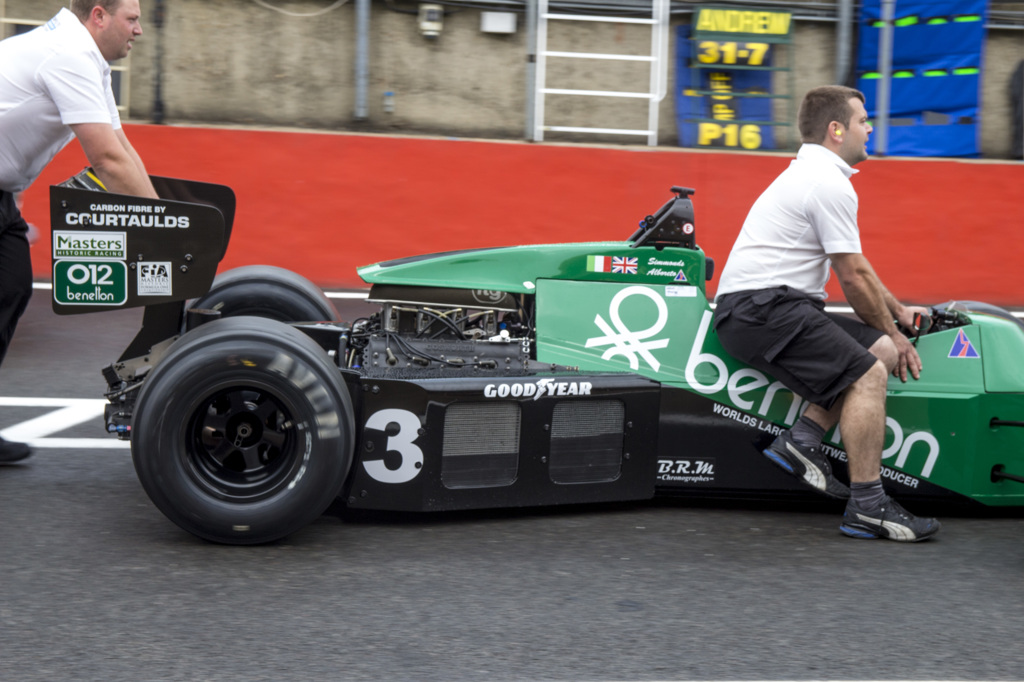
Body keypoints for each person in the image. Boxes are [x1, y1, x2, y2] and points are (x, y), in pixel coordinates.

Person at [712, 85, 940, 542]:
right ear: (836, 130)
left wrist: (895, 313)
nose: (870, 128)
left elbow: (858, 265)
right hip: (762, 310)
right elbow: (852, 279)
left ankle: (802, 440)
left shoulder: (815, 174)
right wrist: (896, 336)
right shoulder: (826, 182)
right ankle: (869, 505)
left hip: (769, 306)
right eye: (862, 121)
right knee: (872, 369)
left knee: (874, 348)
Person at [0, 0, 157, 463]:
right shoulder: (68, 54)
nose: (140, 31)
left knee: (11, 287)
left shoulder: (88, 61)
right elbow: (105, 161)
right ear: (98, 15)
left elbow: (122, 148)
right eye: (132, 19)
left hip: (2, 197)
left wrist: (163, 215)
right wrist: (162, 225)